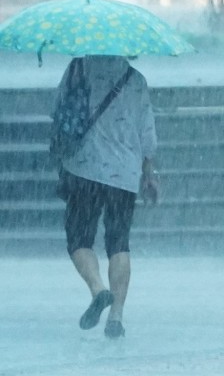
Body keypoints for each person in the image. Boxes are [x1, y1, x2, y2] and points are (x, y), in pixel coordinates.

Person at [54, 55, 159, 339]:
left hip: (84, 169)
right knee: (118, 242)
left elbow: (62, 113)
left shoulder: (78, 68)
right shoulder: (135, 79)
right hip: (124, 173)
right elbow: (147, 133)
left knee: (79, 238)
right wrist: (148, 174)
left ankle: (98, 289)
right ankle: (116, 316)